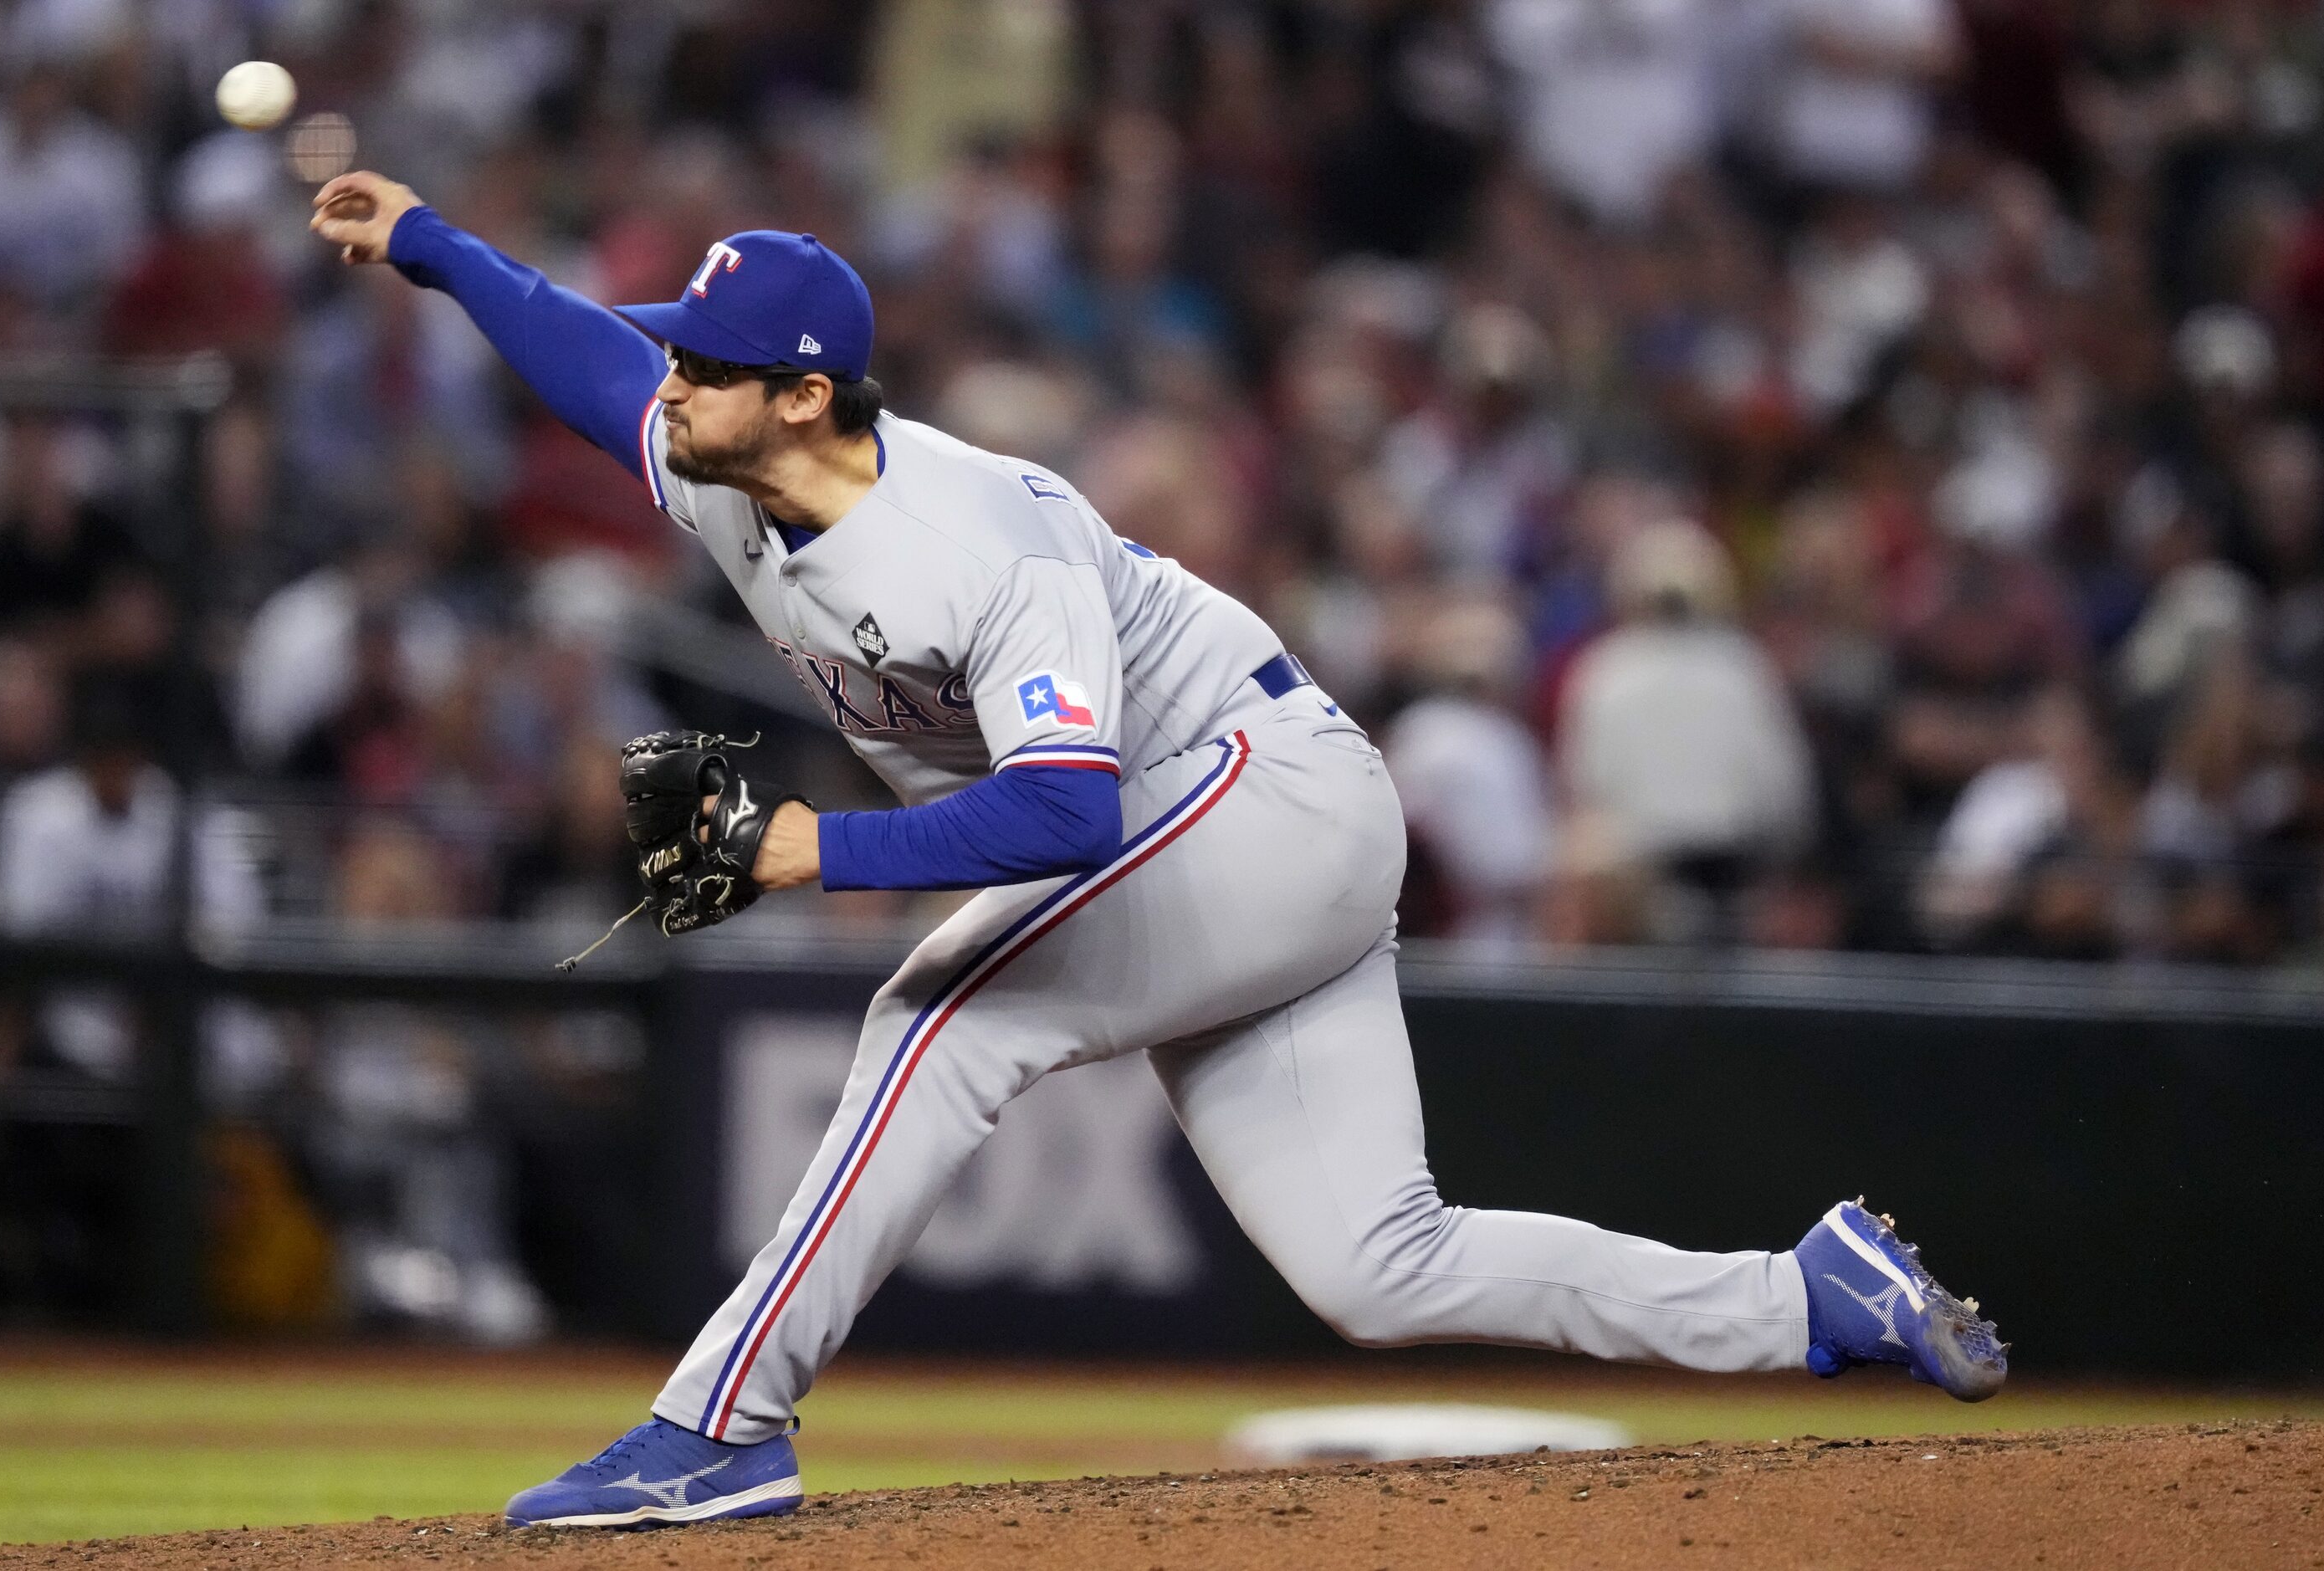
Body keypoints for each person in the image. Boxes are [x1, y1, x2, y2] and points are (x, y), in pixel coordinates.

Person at [310, 170, 2008, 1532]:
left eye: (706, 361)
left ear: (805, 393)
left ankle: (718, 1428)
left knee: (932, 1024)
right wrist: (436, 248)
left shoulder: (978, 540)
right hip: (1240, 843)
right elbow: (587, 357)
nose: (665, 382)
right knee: (1379, 1266)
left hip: (1252, 791)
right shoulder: (721, 461)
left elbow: (1070, 812)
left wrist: (808, 848)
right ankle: (1803, 1301)